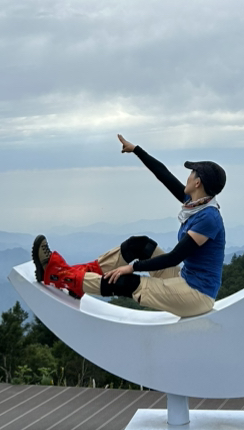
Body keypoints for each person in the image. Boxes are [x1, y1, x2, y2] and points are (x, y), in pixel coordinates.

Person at [32, 134, 227, 318]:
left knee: (127, 283)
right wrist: (136, 150)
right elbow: (163, 174)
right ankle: (76, 278)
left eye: (191, 173)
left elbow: (174, 257)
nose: (188, 176)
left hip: (196, 295)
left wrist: (133, 267)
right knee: (140, 245)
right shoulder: (195, 204)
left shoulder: (208, 218)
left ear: (197, 183)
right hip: (184, 278)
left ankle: (57, 275)